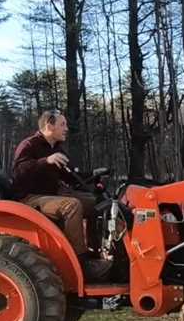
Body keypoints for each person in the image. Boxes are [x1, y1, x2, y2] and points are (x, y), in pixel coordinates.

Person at [12, 110, 111, 280]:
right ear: (49, 126)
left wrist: (95, 175)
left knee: (99, 203)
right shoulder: (29, 145)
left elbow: (71, 176)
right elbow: (18, 172)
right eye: (62, 125)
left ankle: (96, 252)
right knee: (71, 205)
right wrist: (46, 161)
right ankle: (81, 263)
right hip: (29, 198)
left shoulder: (57, 149)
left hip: (52, 196)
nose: (66, 129)